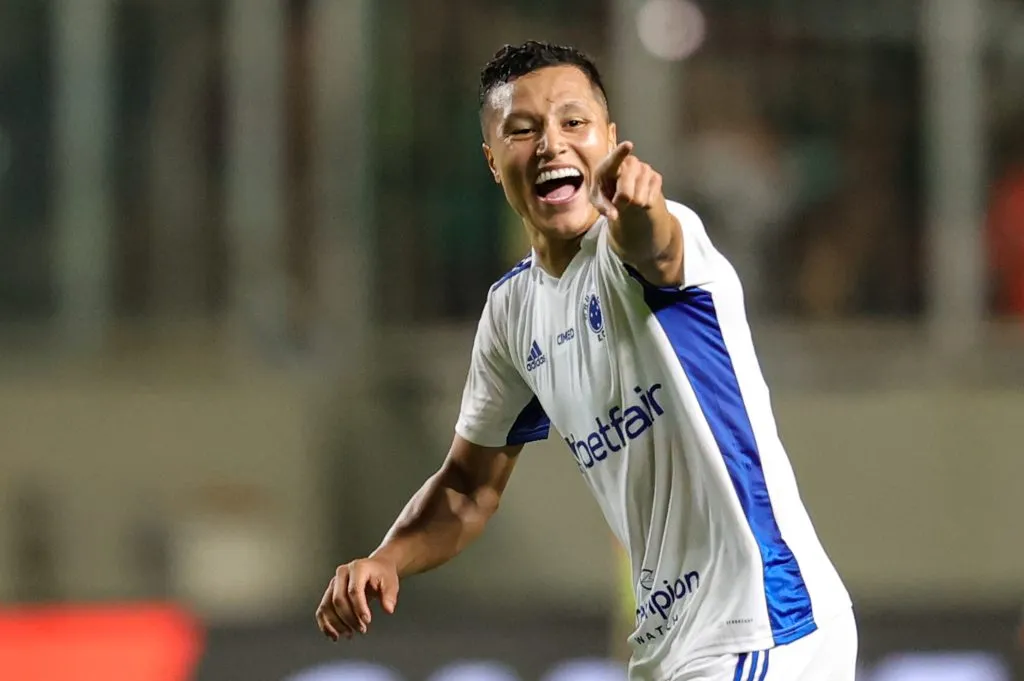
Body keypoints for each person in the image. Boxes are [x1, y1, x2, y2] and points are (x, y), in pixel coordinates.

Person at [315, 41, 856, 681]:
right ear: (492, 161)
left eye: (574, 123)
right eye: (523, 130)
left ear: (610, 139)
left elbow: (653, 244)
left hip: (763, 624)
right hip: (671, 648)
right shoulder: (514, 314)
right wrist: (388, 557)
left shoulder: (653, 241)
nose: (552, 143)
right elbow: (467, 489)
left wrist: (638, 209)